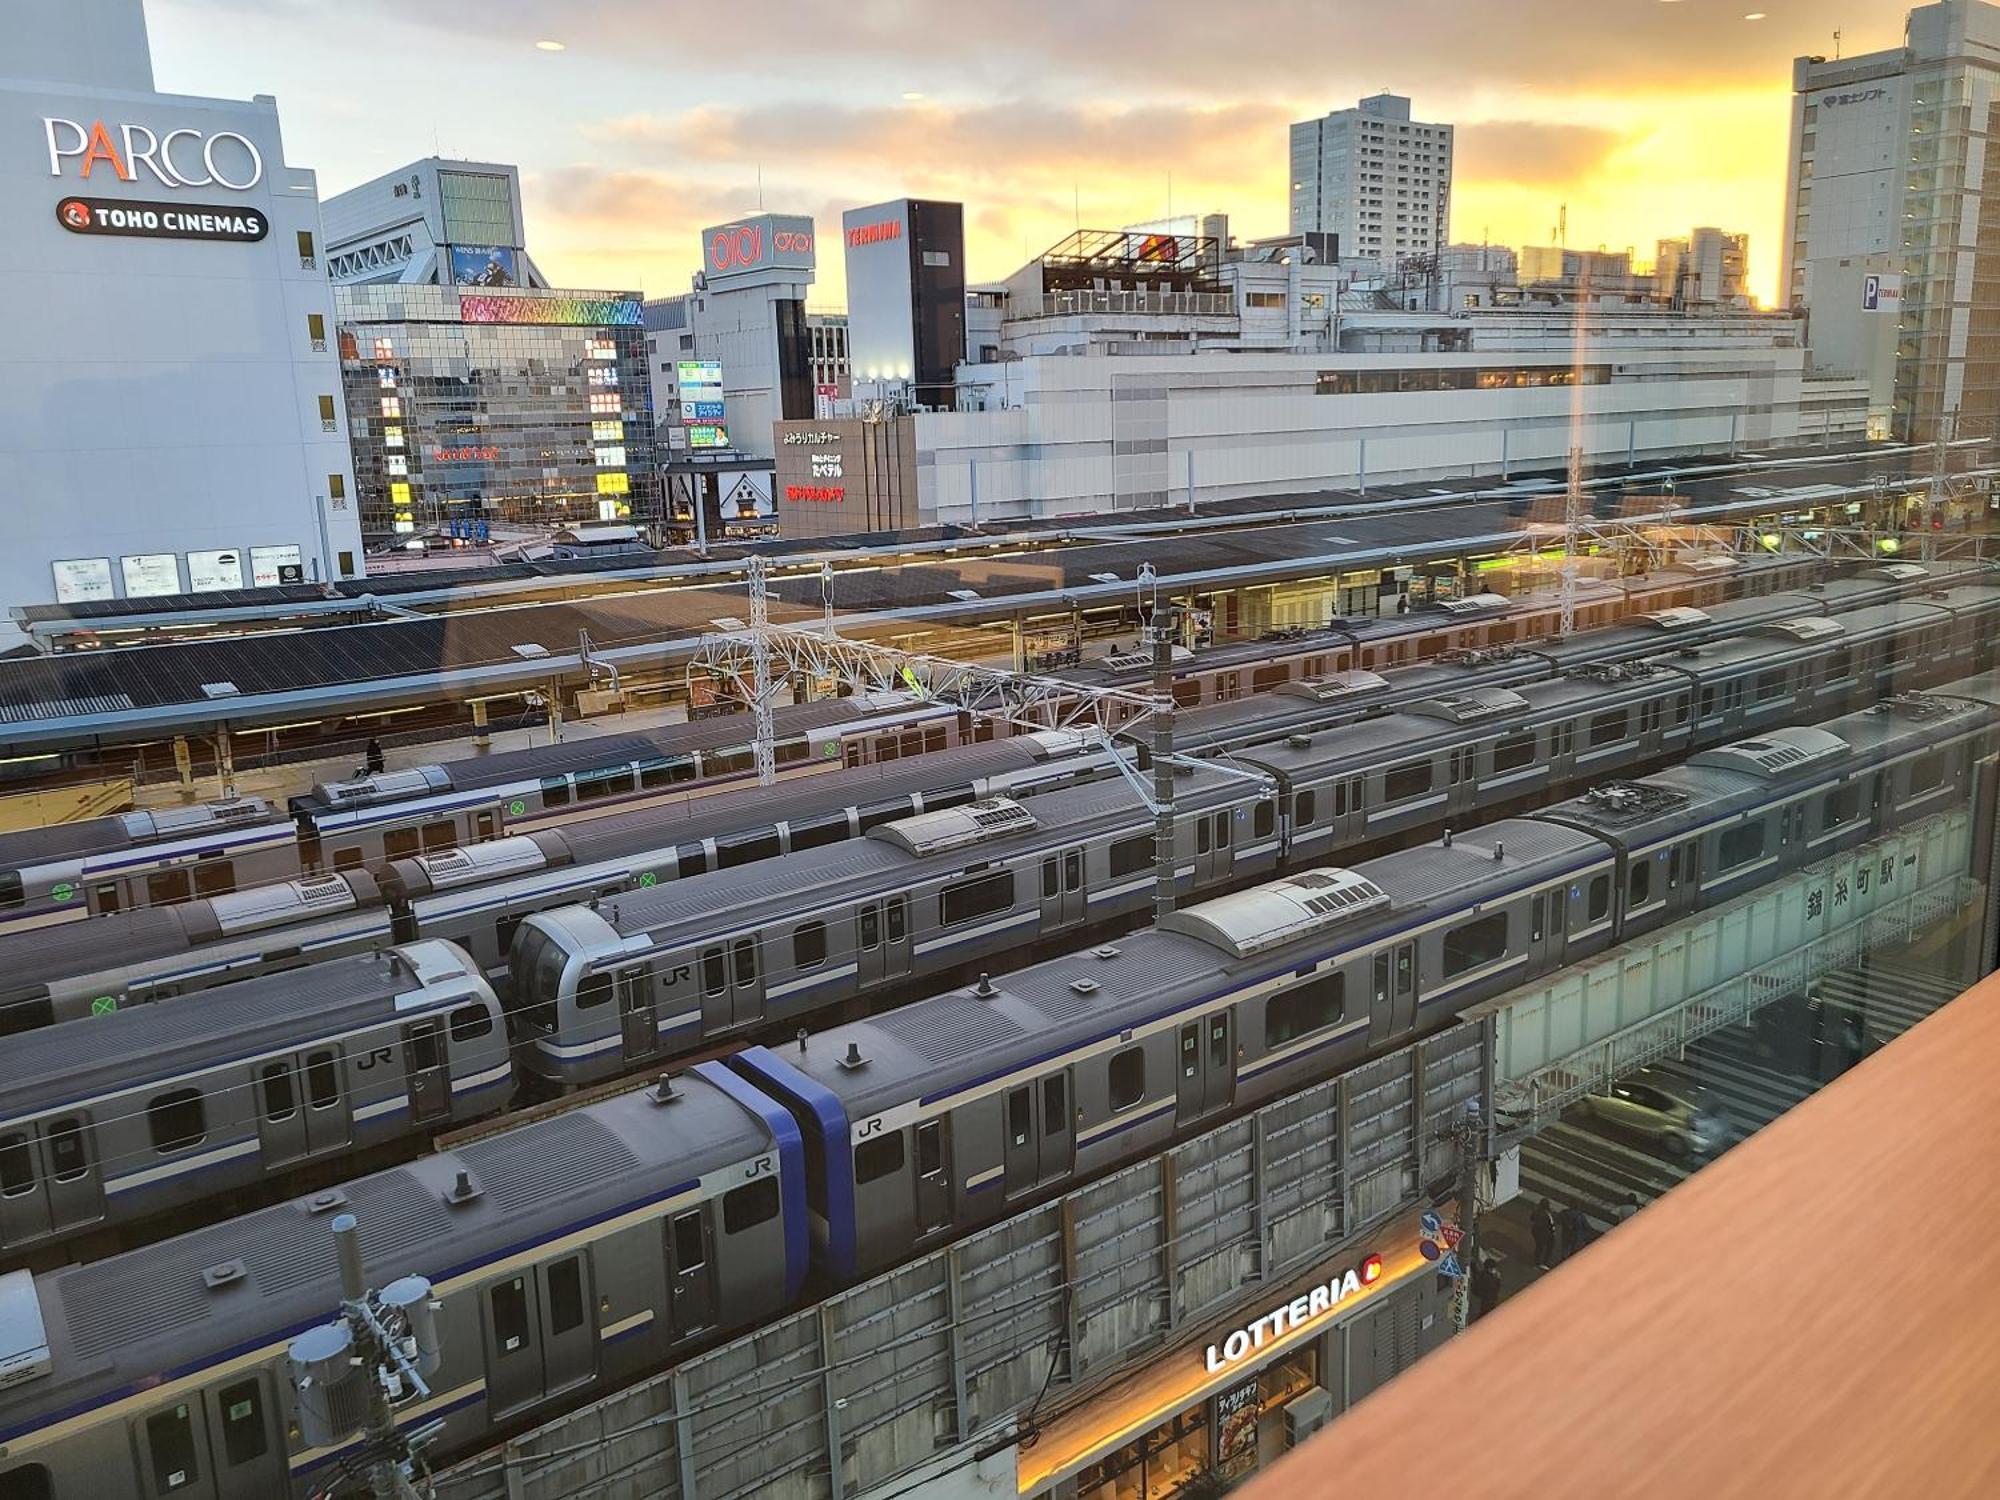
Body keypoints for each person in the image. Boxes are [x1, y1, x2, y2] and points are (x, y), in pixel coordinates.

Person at [1471, 1255, 1503, 1320]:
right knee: (1487, 1312)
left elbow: (1478, 1278)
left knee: (1484, 1313)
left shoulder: (1487, 1277)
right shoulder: (1495, 1276)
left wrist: (1473, 1266)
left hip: (1487, 1299)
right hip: (1491, 1299)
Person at [1531, 1198, 1557, 1269]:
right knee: (1550, 1246)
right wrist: (1553, 1233)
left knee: (1539, 1247)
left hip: (1536, 1232)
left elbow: (1531, 1218)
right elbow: (1552, 1225)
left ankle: (1536, 1262)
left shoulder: (1536, 1211)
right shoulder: (1548, 1215)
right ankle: (1545, 1262)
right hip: (1545, 1233)